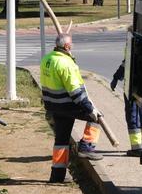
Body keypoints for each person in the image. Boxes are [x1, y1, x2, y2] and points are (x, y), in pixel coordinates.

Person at [40, 34, 103, 183]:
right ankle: (86, 147)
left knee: (61, 139)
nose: (72, 47)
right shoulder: (66, 64)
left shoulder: (47, 59)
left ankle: (57, 175)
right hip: (66, 104)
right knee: (97, 118)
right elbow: (75, 92)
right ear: (67, 47)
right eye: (71, 45)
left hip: (53, 106)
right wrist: (90, 108)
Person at [111, 59, 142, 157]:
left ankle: (137, 148)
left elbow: (127, 62)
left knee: (132, 116)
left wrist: (116, 78)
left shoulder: (133, 43)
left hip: (132, 85)